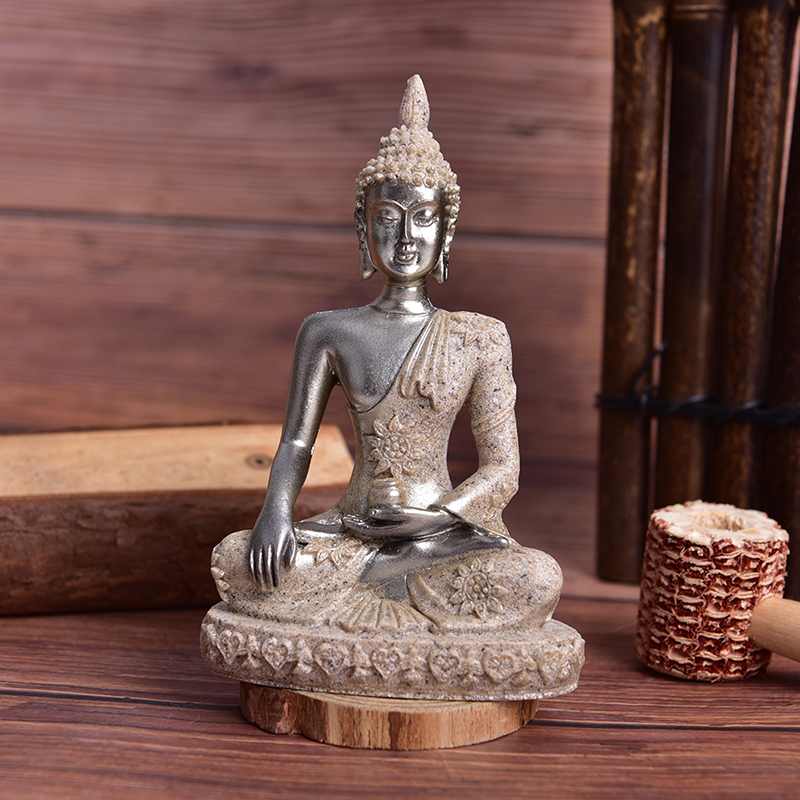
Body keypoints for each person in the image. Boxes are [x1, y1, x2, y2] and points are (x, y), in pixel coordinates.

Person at [210, 76, 557, 632]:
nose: (405, 237)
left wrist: (434, 519)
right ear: (363, 226)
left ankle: (373, 583)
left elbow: (503, 469)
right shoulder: (327, 330)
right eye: (388, 217)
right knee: (235, 558)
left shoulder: (479, 337)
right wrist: (275, 511)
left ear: (446, 231)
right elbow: (296, 441)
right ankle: (384, 580)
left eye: (424, 218)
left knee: (536, 578)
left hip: (440, 534)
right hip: (353, 527)